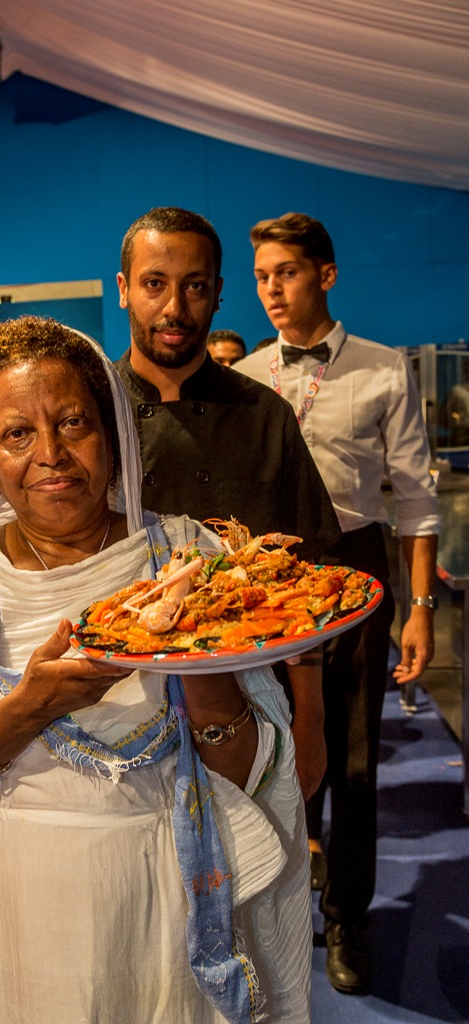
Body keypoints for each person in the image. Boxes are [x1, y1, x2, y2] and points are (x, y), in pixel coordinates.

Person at [0, 315, 313, 1024]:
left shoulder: (190, 560)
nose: (51, 455)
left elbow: (250, 776)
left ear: (113, 432)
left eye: (73, 422)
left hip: (168, 896)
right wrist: (27, 709)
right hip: (11, 915)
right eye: (17, 434)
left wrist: (198, 660)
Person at [237, 211, 441, 995]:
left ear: (324, 274)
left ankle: (348, 915)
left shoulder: (384, 369)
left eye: (284, 272)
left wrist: (419, 604)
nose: (270, 291)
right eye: (259, 277)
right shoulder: (249, 378)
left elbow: (417, 501)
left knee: (354, 753)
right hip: (272, 575)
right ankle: (287, 896)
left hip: (358, 566)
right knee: (274, 745)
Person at [115, 205, 342, 803]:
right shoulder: (90, 421)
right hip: (117, 715)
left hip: (256, 706)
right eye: (154, 284)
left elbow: (310, 579)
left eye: (194, 287)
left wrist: (312, 721)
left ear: (217, 294)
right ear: (124, 291)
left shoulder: (265, 416)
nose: (174, 308)